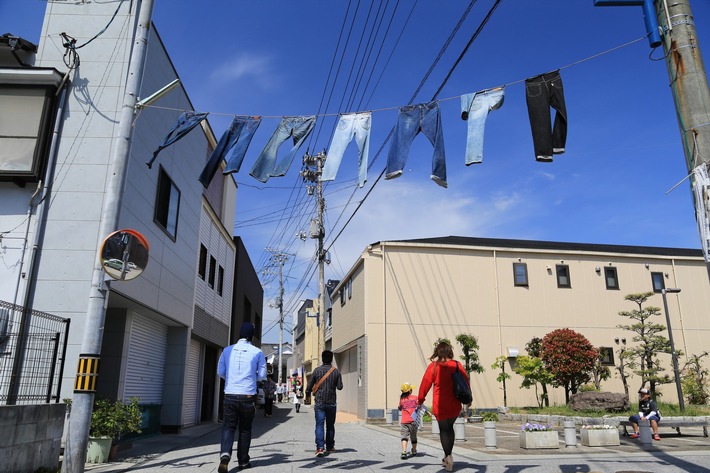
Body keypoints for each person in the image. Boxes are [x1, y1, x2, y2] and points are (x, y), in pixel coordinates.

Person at [217, 322, 267, 472]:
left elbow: (220, 372)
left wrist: (232, 379)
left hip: (230, 394)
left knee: (228, 426)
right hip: (248, 395)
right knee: (245, 429)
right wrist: (252, 378)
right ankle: (243, 462)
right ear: (252, 336)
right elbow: (263, 375)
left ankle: (225, 454)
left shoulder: (226, 351)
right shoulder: (257, 352)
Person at [417, 341, 469, 472]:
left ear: (438, 352)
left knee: (444, 430)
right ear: (449, 351)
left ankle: (448, 457)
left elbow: (425, 384)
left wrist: (420, 400)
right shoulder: (457, 365)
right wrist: (468, 400)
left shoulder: (433, 367)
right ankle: (448, 456)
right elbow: (466, 383)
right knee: (449, 428)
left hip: (440, 404)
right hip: (454, 404)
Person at [306, 350, 343, 457]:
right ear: (331, 359)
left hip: (320, 403)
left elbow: (309, 387)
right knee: (330, 426)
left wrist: (308, 394)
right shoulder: (336, 372)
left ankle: (320, 448)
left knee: (319, 425)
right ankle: (330, 446)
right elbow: (340, 387)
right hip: (331, 403)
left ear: (322, 359)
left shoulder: (317, 371)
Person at [398, 382, 419, 459]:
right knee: (413, 437)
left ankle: (404, 452)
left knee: (404, 436)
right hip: (413, 421)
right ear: (410, 390)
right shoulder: (415, 398)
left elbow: (400, 408)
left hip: (404, 421)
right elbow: (420, 405)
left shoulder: (402, 399)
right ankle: (414, 450)